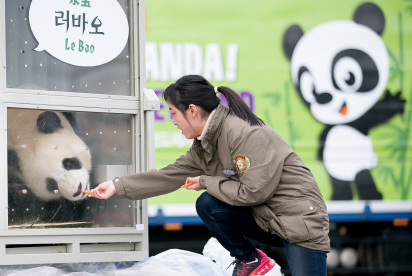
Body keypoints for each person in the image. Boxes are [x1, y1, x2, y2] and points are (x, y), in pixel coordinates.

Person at [90, 75, 329, 276]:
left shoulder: (242, 133)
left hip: (300, 222)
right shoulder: (205, 145)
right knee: (208, 204)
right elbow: (168, 176)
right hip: (269, 219)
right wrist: (117, 186)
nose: (173, 121)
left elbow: (254, 191)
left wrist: (206, 181)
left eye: (173, 113)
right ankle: (251, 260)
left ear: (192, 111)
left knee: (208, 195)